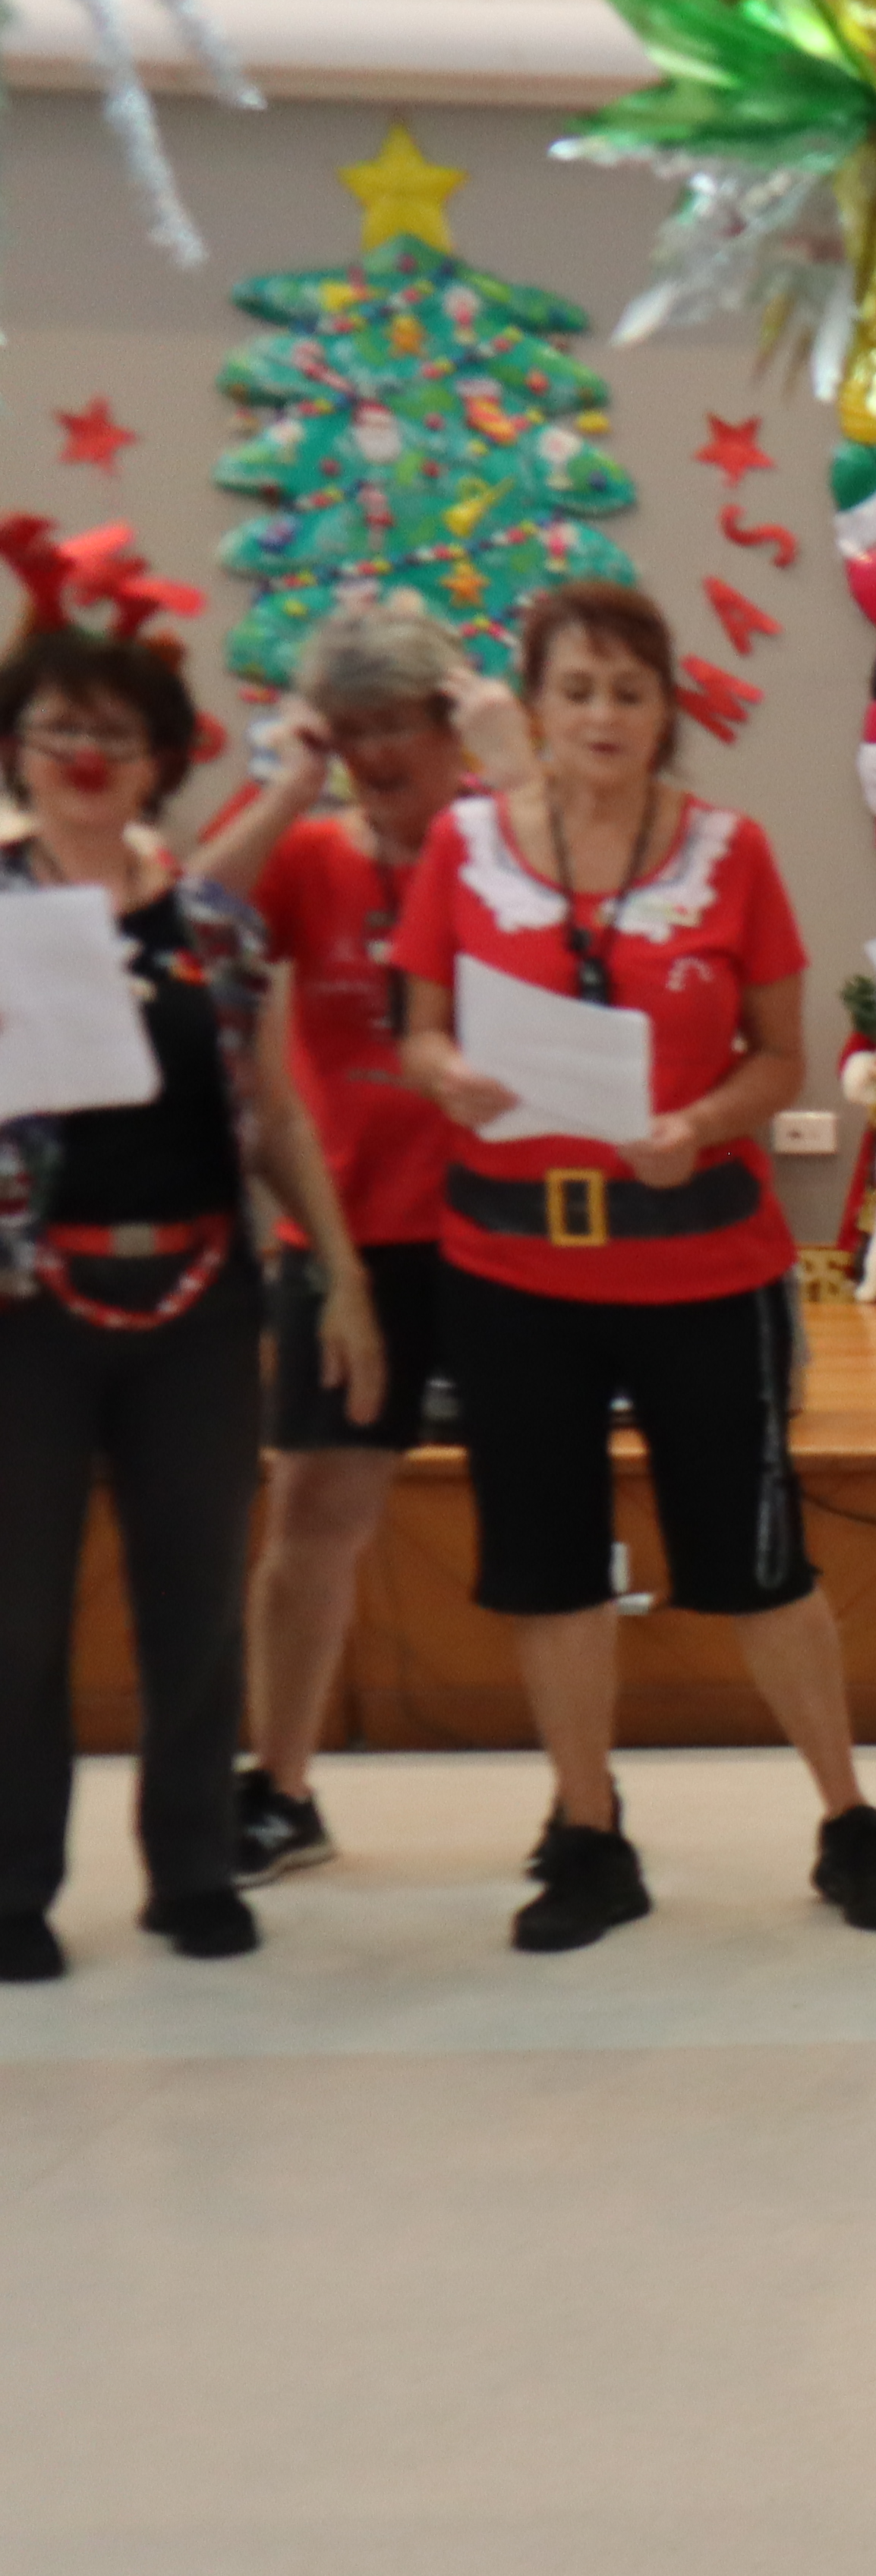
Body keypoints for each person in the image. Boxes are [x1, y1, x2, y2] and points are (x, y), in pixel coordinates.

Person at [392, 582, 876, 1951]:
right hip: (511, 1268)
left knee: (758, 1561)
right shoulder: (462, 849)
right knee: (547, 1562)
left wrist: (705, 1124)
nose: (603, 716)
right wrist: (447, 1075)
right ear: (536, 705)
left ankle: (848, 1817)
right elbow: (420, 1031)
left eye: (630, 691)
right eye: (576, 691)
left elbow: (779, 1057)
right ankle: (587, 1828)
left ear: (666, 710)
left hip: (702, 1263)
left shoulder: (729, 850)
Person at [0, 617, 381, 1979]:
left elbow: (275, 1110)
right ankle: (12, 1890)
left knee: (196, 1601)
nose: (86, 754)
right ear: (18, 750)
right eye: (58, 728)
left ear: (161, 752)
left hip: (201, 1301)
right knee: (19, 1614)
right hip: (26, 1311)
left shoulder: (215, 923)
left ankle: (196, 1871)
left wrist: (337, 1271)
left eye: (115, 730)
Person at [191, 601, 532, 1885]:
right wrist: (288, 783)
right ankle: (278, 1788)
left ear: (454, 727)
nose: (385, 752)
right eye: (360, 729)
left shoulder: (517, 847)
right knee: (320, 1505)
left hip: (511, 1227)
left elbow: (605, 924)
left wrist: (516, 767)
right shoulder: (315, 857)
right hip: (348, 1240)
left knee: (546, 1511)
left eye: (408, 723)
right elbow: (179, 922)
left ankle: (582, 1806)